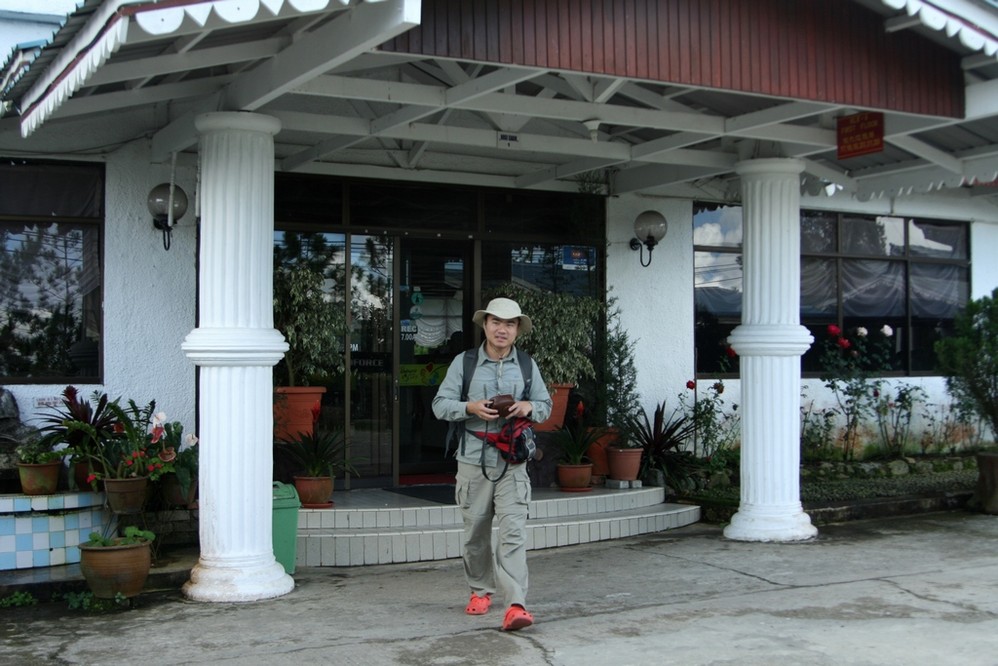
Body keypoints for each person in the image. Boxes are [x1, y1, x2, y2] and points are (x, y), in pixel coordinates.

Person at [431, 297, 552, 631]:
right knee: (476, 535)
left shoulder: (526, 365)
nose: (502, 329)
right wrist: (469, 408)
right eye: (496, 322)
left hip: (513, 462)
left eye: (509, 324)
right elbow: (440, 405)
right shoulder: (465, 363)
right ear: (485, 325)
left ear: (517, 330)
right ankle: (480, 590)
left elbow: (545, 405)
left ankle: (515, 604)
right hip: (473, 461)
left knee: (513, 534)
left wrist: (528, 406)